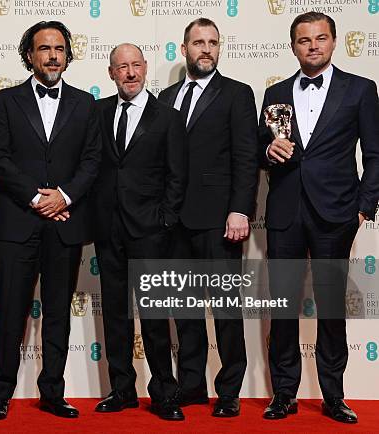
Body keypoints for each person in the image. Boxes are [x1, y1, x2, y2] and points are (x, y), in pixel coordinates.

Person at [258, 12, 379, 423]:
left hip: (336, 214)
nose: (313, 45)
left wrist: (364, 207)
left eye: (320, 38)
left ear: (333, 42)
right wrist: (267, 153)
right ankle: (284, 394)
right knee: (283, 307)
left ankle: (334, 395)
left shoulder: (361, 90)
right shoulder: (274, 93)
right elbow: (263, 149)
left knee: (331, 309)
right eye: (304, 40)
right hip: (285, 212)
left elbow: (375, 156)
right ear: (293, 46)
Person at [0, 21, 101, 420]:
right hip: (18, 224)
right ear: (29, 55)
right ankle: (0, 393)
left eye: (59, 49)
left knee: (57, 314)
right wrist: (36, 198)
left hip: (64, 224)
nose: (52, 55)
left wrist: (63, 196)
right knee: (11, 312)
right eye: (43, 48)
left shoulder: (86, 104)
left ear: (68, 55)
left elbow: (92, 160)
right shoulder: (6, 100)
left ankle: (53, 392)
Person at [158, 18, 258, 417]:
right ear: (183, 49)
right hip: (173, 222)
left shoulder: (237, 94)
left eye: (212, 42)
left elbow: (246, 158)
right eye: (198, 42)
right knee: (184, 311)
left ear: (220, 48)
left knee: (227, 310)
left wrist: (240, 209)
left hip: (219, 220)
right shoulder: (165, 97)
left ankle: (229, 389)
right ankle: (192, 386)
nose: (206, 49)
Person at [92, 43, 187, 421]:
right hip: (108, 229)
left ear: (145, 68)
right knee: (115, 314)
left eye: (135, 66)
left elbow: (178, 176)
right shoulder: (97, 113)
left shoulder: (168, 117)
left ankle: (165, 392)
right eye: (121, 67)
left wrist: (164, 220)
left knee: (154, 316)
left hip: (150, 231)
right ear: (111, 72)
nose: (130, 73)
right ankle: (122, 390)